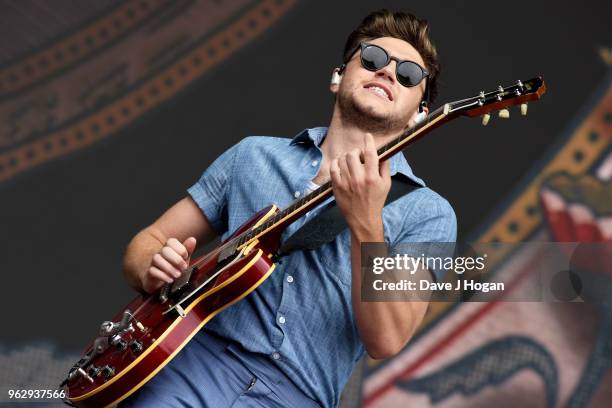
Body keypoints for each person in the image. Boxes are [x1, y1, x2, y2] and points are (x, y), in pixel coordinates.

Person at [121, 9, 456, 408]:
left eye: (408, 75)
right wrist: (152, 267)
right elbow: (148, 243)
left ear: (420, 114)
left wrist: (366, 223)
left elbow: (387, 339)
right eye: (373, 59)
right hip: (191, 364)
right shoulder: (252, 154)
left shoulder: (431, 214)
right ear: (337, 76)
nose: (387, 73)